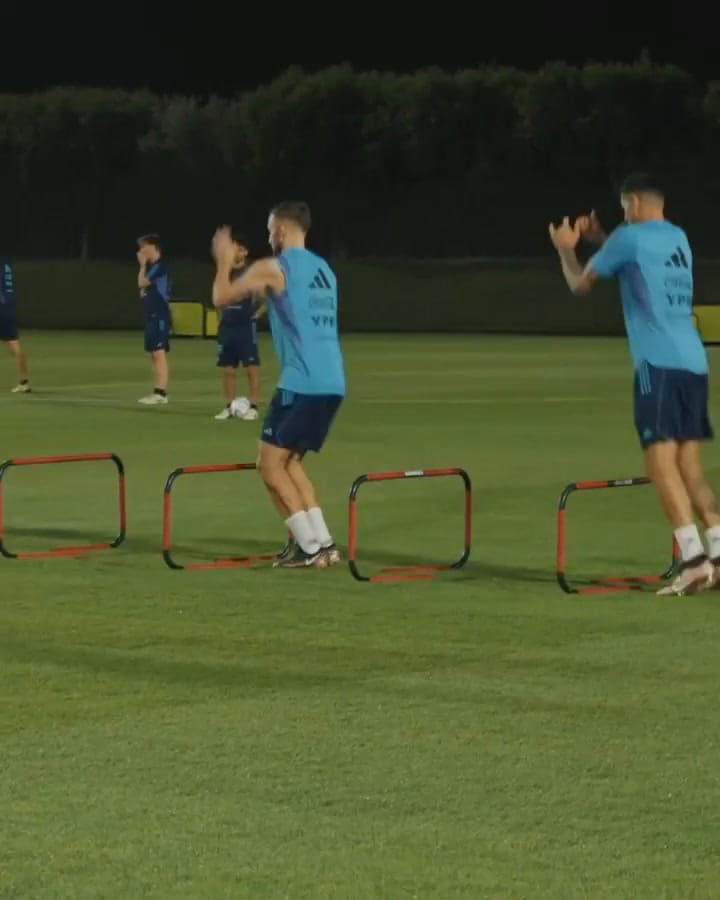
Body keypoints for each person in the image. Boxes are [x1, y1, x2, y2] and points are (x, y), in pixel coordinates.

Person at [549, 172, 720, 596]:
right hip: (693, 361)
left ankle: (693, 561)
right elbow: (636, 259)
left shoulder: (628, 238)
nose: (624, 215)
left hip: (656, 363)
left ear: (636, 203)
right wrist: (601, 238)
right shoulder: (677, 237)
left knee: (659, 461)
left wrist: (567, 249)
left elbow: (579, 284)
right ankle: (718, 551)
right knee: (689, 466)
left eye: (625, 207)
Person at [210, 202, 345, 568]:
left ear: (282, 230)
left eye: (271, 230)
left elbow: (221, 298)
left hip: (302, 382)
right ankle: (325, 544)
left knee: (269, 466)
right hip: (332, 381)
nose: (269, 237)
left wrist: (223, 261)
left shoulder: (275, 267)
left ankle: (309, 549)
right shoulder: (324, 270)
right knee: (291, 463)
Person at [214, 234, 265, 420]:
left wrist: (256, 315)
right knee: (228, 370)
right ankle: (229, 407)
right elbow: (218, 298)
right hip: (227, 328)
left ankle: (254, 406)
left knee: (251, 368)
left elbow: (266, 298)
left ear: (244, 252)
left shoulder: (251, 273)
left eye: (236, 249)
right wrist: (221, 318)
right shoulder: (224, 272)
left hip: (245, 327)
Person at [136, 234, 171, 405]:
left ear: (153, 247)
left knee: (159, 352)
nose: (141, 250)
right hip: (151, 315)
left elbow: (142, 283)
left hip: (159, 314)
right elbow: (141, 287)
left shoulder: (160, 265)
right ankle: (157, 390)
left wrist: (142, 265)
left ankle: (161, 392)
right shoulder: (152, 267)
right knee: (153, 353)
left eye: (144, 246)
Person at [0, 259, 31, 393]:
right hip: (9, 307)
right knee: (14, 343)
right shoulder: (6, 265)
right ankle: (24, 382)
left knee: (13, 344)